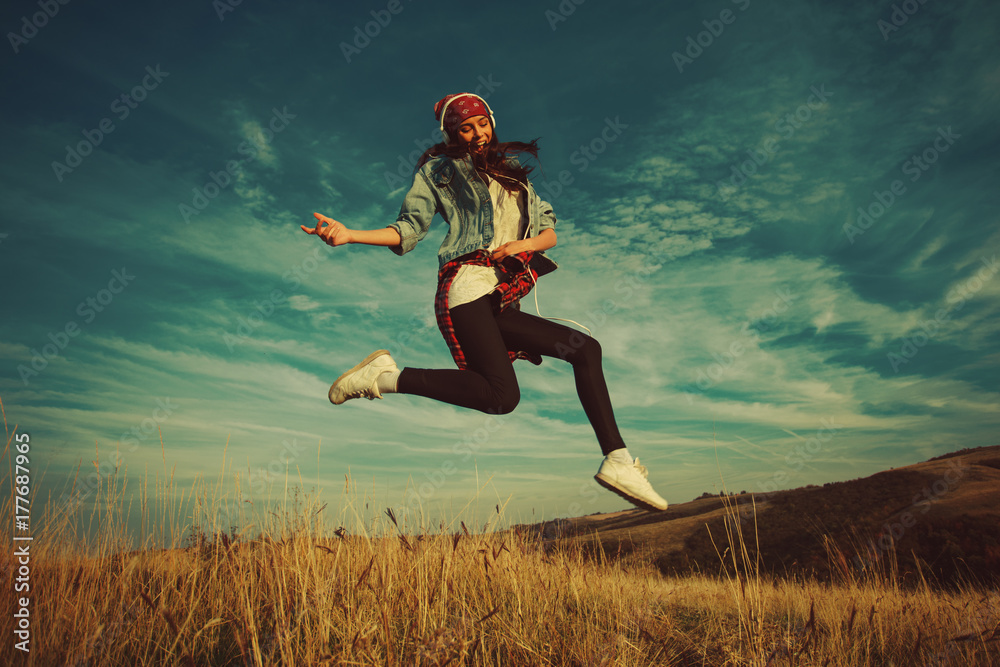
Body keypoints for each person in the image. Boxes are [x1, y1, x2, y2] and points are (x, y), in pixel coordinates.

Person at [300, 92, 667, 511]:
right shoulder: (440, 170)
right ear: (453, 133)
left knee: (584, 350)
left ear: (492, 122)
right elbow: (408, 229)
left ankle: (617, 460)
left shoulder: (517, 180)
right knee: (501, 397)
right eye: (465, 128)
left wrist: (519, 246)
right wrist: (350, 235)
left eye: (481, 124)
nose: (476, 134)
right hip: (468, 285)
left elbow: (550, 234)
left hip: (500, 297)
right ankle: (383, 378)